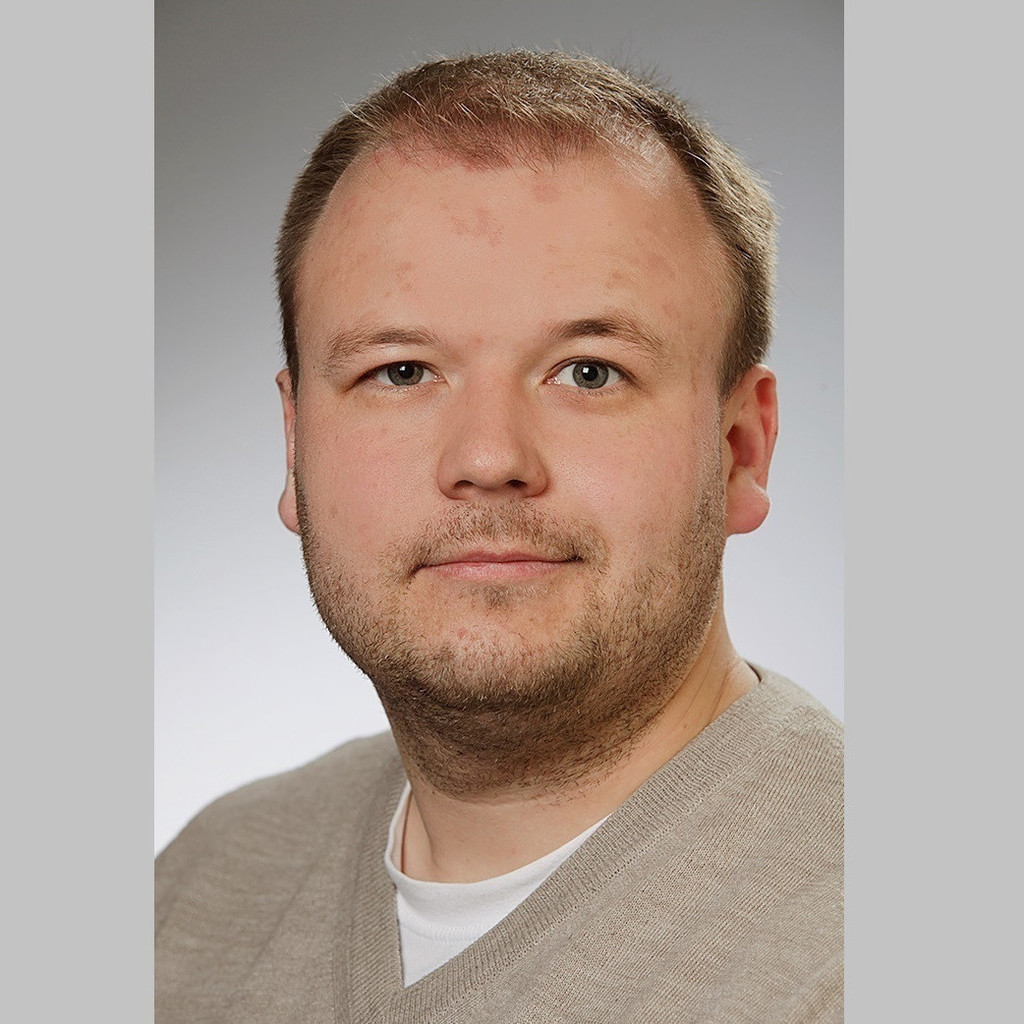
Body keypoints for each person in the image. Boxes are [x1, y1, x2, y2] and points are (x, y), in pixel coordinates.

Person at [155, 50, 843, 1023]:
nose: (486, 458)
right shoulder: (196, 890)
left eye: (589, 371)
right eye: (400, 372)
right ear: (296, 445)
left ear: (740, 449)